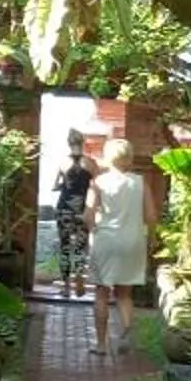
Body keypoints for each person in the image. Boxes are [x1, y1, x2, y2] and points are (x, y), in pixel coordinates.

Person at [86, 138, 150, 358]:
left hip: (106, 240)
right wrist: (151, 238)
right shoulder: (140, 183)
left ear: (108, 158)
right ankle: (126, 331)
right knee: (125, 294)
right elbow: (151, 215)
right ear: (129, 158)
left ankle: (101, 345)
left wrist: (93, 230)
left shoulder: (98, 183)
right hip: (132, 240)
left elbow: (88, 215)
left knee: (101, 292)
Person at [51, 130, 92, 298]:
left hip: (64, 209)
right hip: (83, 208)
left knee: (65, 246)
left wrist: (65, 186)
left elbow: (55, 186)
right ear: (83, 142)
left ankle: (66, 286)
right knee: (81, 246)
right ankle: (79, 275)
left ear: (68, 143)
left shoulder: (62, 162)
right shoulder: (90, 163)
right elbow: (98, 185)